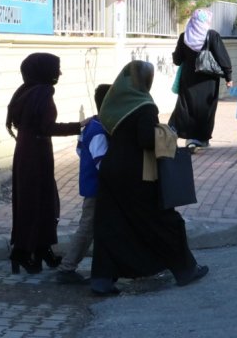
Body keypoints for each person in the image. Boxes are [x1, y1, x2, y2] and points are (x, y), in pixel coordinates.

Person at [90, 60, 209, 296]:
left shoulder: (112, 105)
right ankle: (186, 270)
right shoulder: (144, 105)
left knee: (111, 223)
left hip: (112, 169)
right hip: (138, 172)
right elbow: (146, 139)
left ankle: (102, 279)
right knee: (165, 221)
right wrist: (167, 132)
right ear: (144, 80)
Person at [6, 53, 88, 274]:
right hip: (36, 152)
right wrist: (80, 125)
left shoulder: (25, 91)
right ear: (43, 70)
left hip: (28, 150)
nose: (59, 73)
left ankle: (41, 249)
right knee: (38, 201)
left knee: (38, 200)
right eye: (56, 68)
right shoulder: (42, 92)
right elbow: (47, 127)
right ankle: (23, 252)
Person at [56, 84, 111, 284]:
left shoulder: (92, 125)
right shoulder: (99, 130)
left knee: (90, 226)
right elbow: (102, 163)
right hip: (97, 188)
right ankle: (67, 267)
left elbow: (80, 150)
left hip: (92, 185)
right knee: (87, 227)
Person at [170, 8, 233, 152]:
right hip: (208, 80)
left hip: (188, 79)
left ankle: (186, 137)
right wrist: (228, 76)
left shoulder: (184, 36)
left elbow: (177, 60)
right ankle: (200, 139)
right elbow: (222, 58)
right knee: (206, 108)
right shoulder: (212, 35)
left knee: (186, 107)